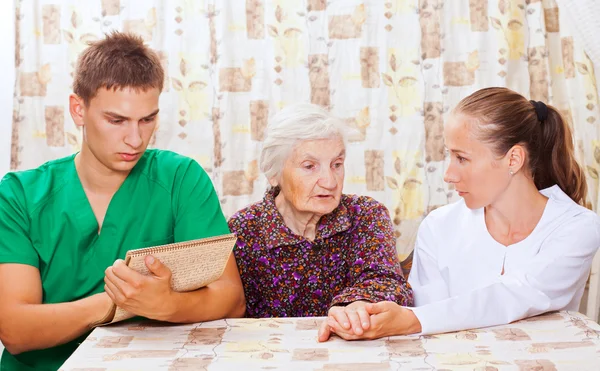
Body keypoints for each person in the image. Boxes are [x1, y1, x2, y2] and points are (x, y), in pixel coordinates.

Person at [0, 32, 245, 370]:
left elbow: (231, 299)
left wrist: (168, 304)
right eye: (116, 120)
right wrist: (122, 303)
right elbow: (16, 329)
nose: (135, 138)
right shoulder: (19, 194)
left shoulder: (180, 179)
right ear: (78, 109)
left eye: (148, 119)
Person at [318, 87, 600, 340]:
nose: (449, 175)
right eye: (449, 156)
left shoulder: (577, 228)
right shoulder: (439, 226)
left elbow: (517, 295)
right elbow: (429, 320)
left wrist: (411, 319)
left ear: (513, 159)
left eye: (462, 158)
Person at [228, 103, 413, 338]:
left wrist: (355, 305)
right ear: (273, 174)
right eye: (309, 166)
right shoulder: (244, 229)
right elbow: (227, 309)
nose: (330, 181)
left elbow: (388, 282)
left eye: (336, 164)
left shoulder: (366, 215)